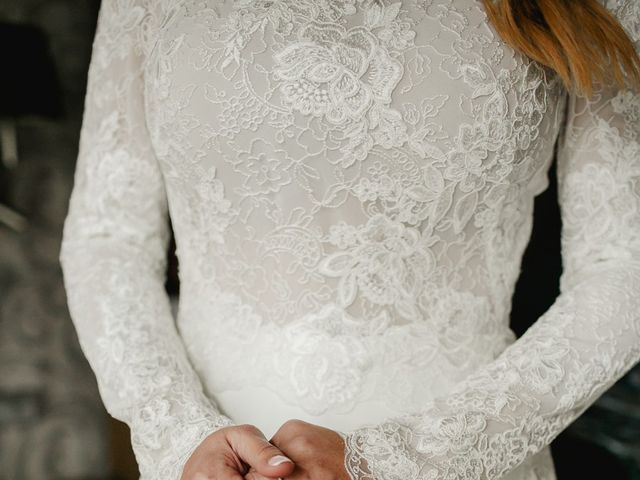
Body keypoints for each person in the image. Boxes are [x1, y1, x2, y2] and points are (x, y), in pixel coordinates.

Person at [59, 0, 640, 479]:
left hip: (460, 457)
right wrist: (178, 436)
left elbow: (625, 264)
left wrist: (395, 461)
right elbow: (109, 237)